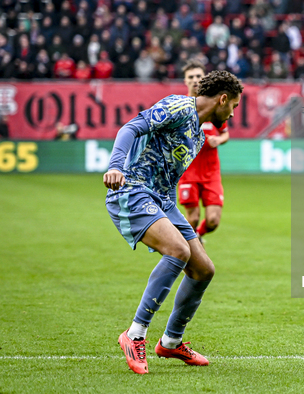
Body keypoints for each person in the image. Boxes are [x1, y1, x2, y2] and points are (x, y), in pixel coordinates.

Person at [103, 70, 243, 374]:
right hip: (132, 190)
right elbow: (130, 128)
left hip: (163, 200)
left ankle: (170, 342)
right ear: (222, 99)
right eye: (233, 105)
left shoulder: (198, 131)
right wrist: (115, 166)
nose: (233, 112)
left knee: (204, 268)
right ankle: (134, 334)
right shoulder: (179, 107)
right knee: (178, 251)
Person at [178, 61, 229, 242]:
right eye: (191, 77)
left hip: (210, 172)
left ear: (205, 78)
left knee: (213, 221)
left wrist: (219, 140)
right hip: (187, 171)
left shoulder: (215, 105)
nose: (195, 80)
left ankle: (197, 237)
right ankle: (191, 259)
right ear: (185, 81)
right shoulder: (181, 107)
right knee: (191, 218)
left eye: (199, 76)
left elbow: (225, 133)